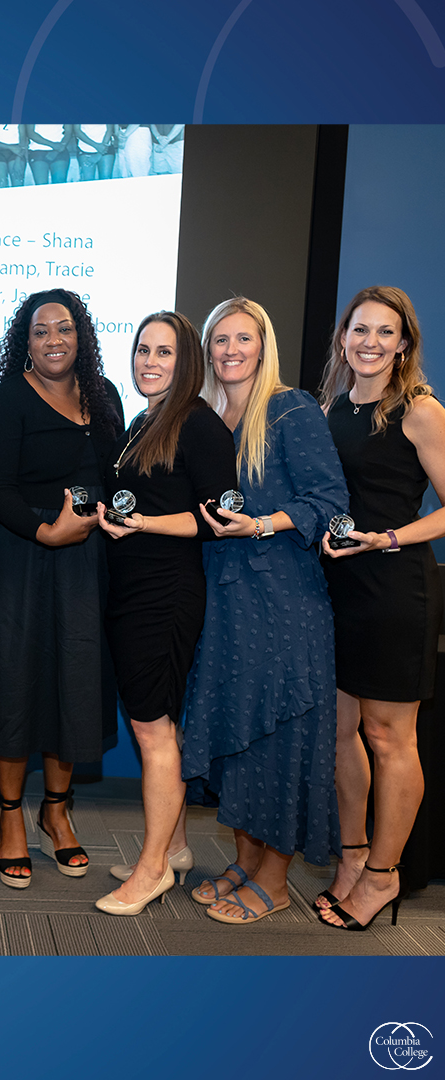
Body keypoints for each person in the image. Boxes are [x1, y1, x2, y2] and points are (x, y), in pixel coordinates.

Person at [180, 298, 347, 923]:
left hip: (282, 599)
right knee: (238, 735)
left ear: (262, 344)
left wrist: (261, 524)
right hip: (222, 599)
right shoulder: (204, 413)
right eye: (219, 339)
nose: (229, 350)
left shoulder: (290, 408)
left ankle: (276, 880)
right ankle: (248, 862)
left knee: (279, 735)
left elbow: (328, 499)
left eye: (241, 339)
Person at [0, 289, 123, 889]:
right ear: (24, 341)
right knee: (15, 684)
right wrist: (45, 531)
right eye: (40, 331)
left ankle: (56, 811)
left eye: (64, 328)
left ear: (81, 335)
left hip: (88, 564)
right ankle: (10, 817)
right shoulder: (9, 399)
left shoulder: (105, 395)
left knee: (76, 682)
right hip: (23, 559)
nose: (53, 339)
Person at [93, 312, 237, 916]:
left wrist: (143, 524)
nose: (150, 361)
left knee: (156, 732)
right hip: (132, 591)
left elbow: (217, 517)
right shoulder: (143, 420)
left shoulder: (199, 425)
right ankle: (174, 849)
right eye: (143, 350)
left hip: (165, 594)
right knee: (155, 726)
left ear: (188, 364)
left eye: (165, 353)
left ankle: (152, 871)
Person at [318, 286, 445, 930]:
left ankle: (382, 878)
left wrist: (390, 536)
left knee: (390, 738)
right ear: (344, 338)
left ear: (403, 345)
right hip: (339, 590)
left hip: (396, 589)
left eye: (384, 332)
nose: (370, 342)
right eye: (359, 330)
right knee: (342, 735)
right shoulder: (334, 407)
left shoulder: (420, 411)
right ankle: (352, 856)